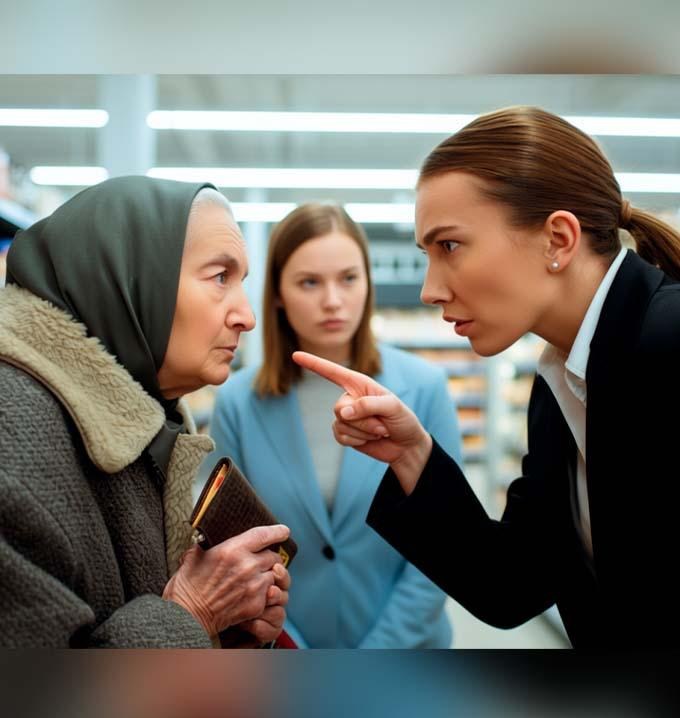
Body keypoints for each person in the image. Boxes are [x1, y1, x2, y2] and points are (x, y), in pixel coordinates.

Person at [294, 106, 680, 649]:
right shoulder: (558, 393)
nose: (429, 289)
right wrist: (412, 454)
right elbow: (511, 585)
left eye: (449, 245)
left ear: (558, 240)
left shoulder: (668, 341)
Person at [0, 176, 291, 648]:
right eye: (220, 277)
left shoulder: (146, 420)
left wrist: (230, 624)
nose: (246, 316)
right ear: (131, 279)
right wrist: (192, 613)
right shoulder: (13, 440)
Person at [210, 202, 461, 648]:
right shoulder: (238, 403)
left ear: (367, 281)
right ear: (278, 294)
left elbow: (445, 545)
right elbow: (237, 546)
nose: (332, 300)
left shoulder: (423, 388)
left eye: (348, 278)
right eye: (309, 282)